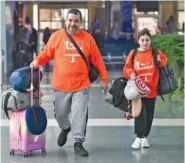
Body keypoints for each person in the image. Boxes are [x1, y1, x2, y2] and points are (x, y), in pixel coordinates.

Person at [30, 9, 108, 156]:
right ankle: (65, 128)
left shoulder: (88, 39)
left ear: (80, 22)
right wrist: (37, 61)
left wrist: (104, 79)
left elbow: (97, 60)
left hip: (82, 85)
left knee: (79, 113)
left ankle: (78, 142)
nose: (73, 24)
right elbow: (47, 53)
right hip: (60, 85)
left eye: (76, 21)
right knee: (61, 114)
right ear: (66, 21)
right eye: (70, 20)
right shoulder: (57, 37)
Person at [123, 28, 168, 149]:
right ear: (138, 41)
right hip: (137, 91)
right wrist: (131, 73)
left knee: (149, 115)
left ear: (150, 40)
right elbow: (126, 68)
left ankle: (145, 137)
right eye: (142, 40)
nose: (145, 42)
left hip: (151, 90)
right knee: (139, 114)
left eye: (147, 40)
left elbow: (164, 61)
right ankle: (138, 137)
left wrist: (159, 60)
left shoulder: (155, 52)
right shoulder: (134, 53)